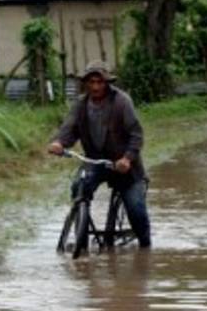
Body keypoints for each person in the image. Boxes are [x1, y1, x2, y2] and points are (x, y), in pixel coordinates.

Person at [47, 60, 151, 248]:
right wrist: (59, 142)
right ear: (85, 83)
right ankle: (82, 240)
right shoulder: (80, 104)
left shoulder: (122, 102)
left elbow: (136, 134)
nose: (95, 87)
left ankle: (146, 247)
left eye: (99, 82)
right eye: (91, 82)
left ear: (107, 83)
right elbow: (69, 128)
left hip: (124, 163)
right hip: (95, 161)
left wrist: (127, 158)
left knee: (136, 209)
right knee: (79, 187)